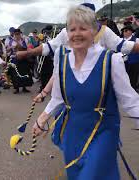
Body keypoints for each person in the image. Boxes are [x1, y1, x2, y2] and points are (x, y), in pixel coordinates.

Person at [32, 5, 139, 179]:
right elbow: (58, 98)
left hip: (102, 133)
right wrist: (42, 118)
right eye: (72, 29)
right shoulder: (62, 62)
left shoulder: (111, 61)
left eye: (83, 28)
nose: (77, 34)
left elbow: (131, 101)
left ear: (94, 31)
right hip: (73, 134)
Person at [16, 3, 139, 102]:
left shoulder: (105, 34)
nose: (77, 34)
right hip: (71, 82)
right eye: (73, 29)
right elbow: (50, 49)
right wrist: (28, 53)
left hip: (98, 85)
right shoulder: (66, 34)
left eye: (85, 26)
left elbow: (124, 46)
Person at [8, 28, 33, 94]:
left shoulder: (24, 40)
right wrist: (11, 48)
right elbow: (7, 50)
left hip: (23, 58)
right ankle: (17, 88)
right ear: (14, 34)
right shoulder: (11, 41)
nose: (17, 36)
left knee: (24, 73)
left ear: (20, 34)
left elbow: (28, 47)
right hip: (15, 59)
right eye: (16, 34)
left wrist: (21, 47)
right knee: (15, 74)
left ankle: (24, 87)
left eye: (18, 34)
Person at [122, 25, 139, 91]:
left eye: (126, 30)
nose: (124, 32)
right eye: (123, 31)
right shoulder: (121, 41)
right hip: (124, 63)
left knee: (133, 79)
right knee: (124, 80)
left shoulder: (137, 40)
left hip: (134, 63)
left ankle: (134, 92)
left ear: (131, 32)